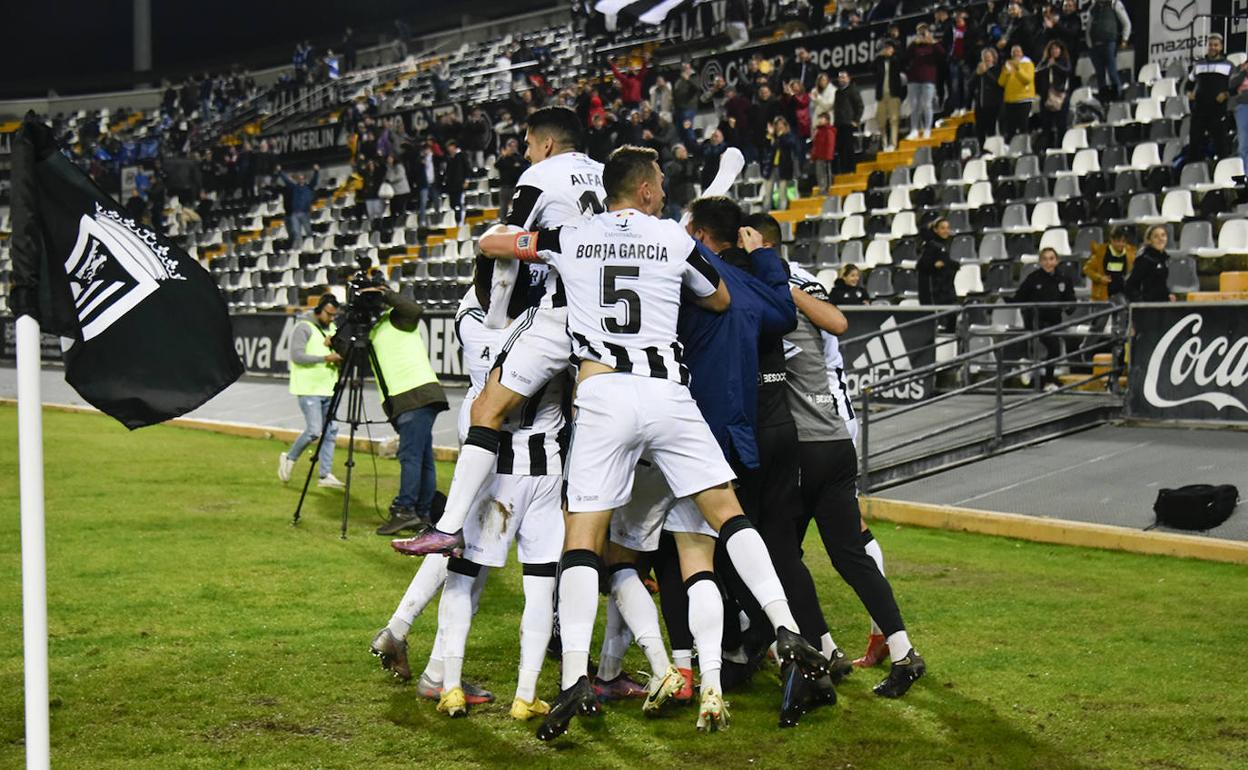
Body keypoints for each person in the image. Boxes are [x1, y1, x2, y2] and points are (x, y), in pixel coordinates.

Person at [476, 147, 829, 742]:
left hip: (603, 393)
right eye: (660, 182)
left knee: (584, 537)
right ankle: (786, 629)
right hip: (667, 392)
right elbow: (717, 297)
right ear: (642, 190)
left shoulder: (570, 235)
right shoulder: (671, 237)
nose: (664, 190)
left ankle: (572, 682)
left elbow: (499, 245)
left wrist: (511, 239)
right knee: (726, 512)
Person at [392, 107, 606, 556]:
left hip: (559, 311)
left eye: (528, 145)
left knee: (485, 409)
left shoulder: (542, 173)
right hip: (606, 324)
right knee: (587, 436)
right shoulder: (607, 175)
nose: (527, 153)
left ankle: (449, 525)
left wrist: (496, 250)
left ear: (545, 144)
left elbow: (504, 237)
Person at [366, 287, 451, 535]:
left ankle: (405, 510)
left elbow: (414, 309)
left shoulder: (398, 317)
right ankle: (422, 512)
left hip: (415, 395)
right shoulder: (374, 329)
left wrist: (384, 292)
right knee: (423, 459)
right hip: (416, 398)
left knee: (411, 457)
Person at [277, 294, 344, 489]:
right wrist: (326, 359)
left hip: (329, 387)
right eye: (329, 314)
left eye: (334, 315)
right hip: (308, 388)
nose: (332, 318)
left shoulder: (332, 328)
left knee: (330, 431)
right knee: (315, 431)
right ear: (319, 309)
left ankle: (325, 475)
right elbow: (297, 356)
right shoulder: (303, 327)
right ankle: (289, 458)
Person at [1012, 247, 1075, 389]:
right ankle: (1048, 380)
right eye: (1045, 259)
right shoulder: (1033, 278)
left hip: (1054, 321)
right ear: (1040, 262)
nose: (1048, 262)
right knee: (1054, 346)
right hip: (1035, 320)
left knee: (1054, 347)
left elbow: (1070, 299)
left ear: (1057, 260)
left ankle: (1033, 369)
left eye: (1051, 259)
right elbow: (1019, 297)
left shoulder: (1064, 279)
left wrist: (1070, 308)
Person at [1186, 34, 1234, 165]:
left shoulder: (1229, 65)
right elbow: (1189, 83)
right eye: (1210, 45)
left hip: (1218, 111)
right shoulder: (1199, 64)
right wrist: (1189, 93)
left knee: (1221, 144)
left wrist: (1226, 94)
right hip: (1199, 110)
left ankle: (1223, 173)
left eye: (1216, 45)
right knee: (1194, 143)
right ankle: (1193, 174)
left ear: (1221, 47)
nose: (1212, 48)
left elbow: (1236, 86)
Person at [917, 217, 959, 330]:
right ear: (935, 230)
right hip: (935, 292)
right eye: (942, 228)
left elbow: (945, 262)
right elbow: (921, 265)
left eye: (947, 228)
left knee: (952, 318)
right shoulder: (932, 245)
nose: (946, 231)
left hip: (946, 289)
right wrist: (934, 265)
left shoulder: (943, 245)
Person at [905, 24, 946, 139]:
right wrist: (914, 43)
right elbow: (905, 57)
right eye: (920, 32)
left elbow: (942, 54)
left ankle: (928, 129)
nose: (922, 34)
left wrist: (932, 41)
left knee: (927, 104)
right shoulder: (914, 46)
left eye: (924, 31)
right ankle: (914, 129)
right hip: (914, 79)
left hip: (928, 79)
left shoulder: (933, 45)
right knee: (914, 105)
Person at [1086, 0, 1131, 100]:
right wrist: (1090, 45)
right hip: (1095, 46)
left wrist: (1124, 39)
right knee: (1100, 75)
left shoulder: (1115, 3)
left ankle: (1118, 97)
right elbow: (1088, 28)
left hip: (1109, 43)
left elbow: (1127, 23)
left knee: (1112, 72)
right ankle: (1104, 100)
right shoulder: (1093, 7)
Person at [1084, 225, 1136, 307]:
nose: (1121, 244)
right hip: (1102, 294)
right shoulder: (1101, 253)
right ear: (1111, 240)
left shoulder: (1130, 254)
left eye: (1123, 241)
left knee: (1123, 312)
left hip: (1121, 292)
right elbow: (1087, 269)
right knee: (1100, 318)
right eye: (1118, 241)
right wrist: (1100, 278)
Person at [1035, 40, 1073, 152]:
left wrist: (1055, 65)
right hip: (1046, 97)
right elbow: (1037, 72)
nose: (1054, 51)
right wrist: (1046, 64)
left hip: (1060, 96)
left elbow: (1067, 72)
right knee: (1046, 126)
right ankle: (1048, 148)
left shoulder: (1064, 61)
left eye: (1057, 48)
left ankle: (1062, 147)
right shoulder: (1045, 62)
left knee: (1061, 125)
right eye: (1052, 49)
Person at [1125, 225, 1176, 303]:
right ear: (1149, 240)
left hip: (1161, 306)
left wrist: (1168, 294)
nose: (1161, 239)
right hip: (1148, 308)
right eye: (1156, 236)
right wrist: (1141, 303)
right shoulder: (1144, 259)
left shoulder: (1164, 258)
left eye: (1163, 235)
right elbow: (1130, 285)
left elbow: (1159, 284)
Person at [761, 117, 800, 211]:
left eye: (781, 125)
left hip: (784, 169)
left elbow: (790, 145)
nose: (779, 127)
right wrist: (770, 136)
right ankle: (766, 213)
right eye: (777, 125)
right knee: (768, 193)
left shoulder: (789, 137)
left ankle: (781, 213)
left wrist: (780, 136)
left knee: (782, 193)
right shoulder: (772, 137)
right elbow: (766, 147)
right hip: (771, 168)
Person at [998, 44, 1036, 141]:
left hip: (1023, 100)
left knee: (1023, 127)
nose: (1016, 54)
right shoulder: (1007, 65)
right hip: (1010, 100)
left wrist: (1018, 68)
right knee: (1010, 129)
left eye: (1018, 51)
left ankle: (1024, 149)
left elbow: (1027, 79)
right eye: (1013, 52)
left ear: (1022, 53)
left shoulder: (1028, 64)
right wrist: (1006, 72)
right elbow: (1001, 82)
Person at [874, 40, 905, 152]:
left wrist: (892, 55)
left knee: (894, 120)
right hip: (881, 95)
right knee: (881, 121)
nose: (887, 50)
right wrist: (878, 56)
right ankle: (884, 143)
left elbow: (901, 63)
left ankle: (893, 143)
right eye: (885, 48)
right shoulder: (879, 61)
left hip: (894, 94)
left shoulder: (896, 60)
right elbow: (871, 68)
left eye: (889, 48)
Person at [277, 163, 319, 244]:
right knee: (296, 231)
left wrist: (316, 171)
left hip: (305, 212)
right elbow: (286, 180)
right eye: (299, 179)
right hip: (295, 213)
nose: (301, 180)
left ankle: (311, 245)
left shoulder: (309, 187)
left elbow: (315, 180)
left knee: (308, 230)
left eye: (302, 178)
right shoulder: (294, 187)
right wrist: (280, 171)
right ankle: (299, 245)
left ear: (304, 179)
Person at [833, 71, 864, 173]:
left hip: (848, 123)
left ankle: (850, 169)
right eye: (840, 77)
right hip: (839, 123)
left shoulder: (852, 90)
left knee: (848, 147)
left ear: (848, 79)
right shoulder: (838, 92)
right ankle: (843, 169)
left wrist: (856, 120)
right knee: (840, 148)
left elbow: (859, 106)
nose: (841, 79)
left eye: (843, 77)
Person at [972, 47, 1005, 145]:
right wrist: (976, 74)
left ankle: (991, 149)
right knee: (979, 129)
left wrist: (986, 72)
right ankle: (982, 149)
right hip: (980, 105)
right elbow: (970, 84)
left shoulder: (998, 69)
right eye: (984, 57)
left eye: (988, 57)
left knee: (991, 130)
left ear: (993, 58)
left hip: (993, 104)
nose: (986, 59)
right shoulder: (979, 70)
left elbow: (998, 83)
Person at [495, 138, 528, 223]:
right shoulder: (503, 158)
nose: (512, 148)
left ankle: (515, 222)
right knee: (503, 207)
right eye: (510, 146)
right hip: (504, 186)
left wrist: (515, 164)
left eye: (514, 146)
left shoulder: (519, 158)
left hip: (515, 187)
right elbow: (496, 165)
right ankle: (502, 222)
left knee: (517, 207)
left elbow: (522, 169)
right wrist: (504, 156)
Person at [663, 143, 700, 220]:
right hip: (677, 200)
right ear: (676, 154)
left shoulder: (690, 164)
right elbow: (675, 177)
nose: (684, 152)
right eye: (681, 151)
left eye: (684, 150)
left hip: (690, 198)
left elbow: (696, 178)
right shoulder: (671, 166)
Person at [443, 139, 471, 226]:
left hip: (459, 183)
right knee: (452, 203)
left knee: (459, 202)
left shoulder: (461, 156)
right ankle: (455, 220)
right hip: (451, 184)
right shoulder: (449, 158)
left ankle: (459, 220)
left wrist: (466, 180)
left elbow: (467, 168)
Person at [811, 112, 837, 193]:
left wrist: (828, 156)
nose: (820, 120)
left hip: (825, 156)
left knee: (825, 173)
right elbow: (815, 145)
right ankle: (822, 189)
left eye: (822, 118)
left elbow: (830, 144)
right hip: (818, 156)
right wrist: (813, 156)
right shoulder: (818, 131)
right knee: (819, 174)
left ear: (827, 120)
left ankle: (827, 189)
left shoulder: (829, 131)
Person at [1232, 59, 1248, 176]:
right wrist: (1244, 72)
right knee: (1243, 143)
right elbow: (1231, 84)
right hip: (1243, 107)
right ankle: (1245, 174)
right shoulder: (1240, 68)